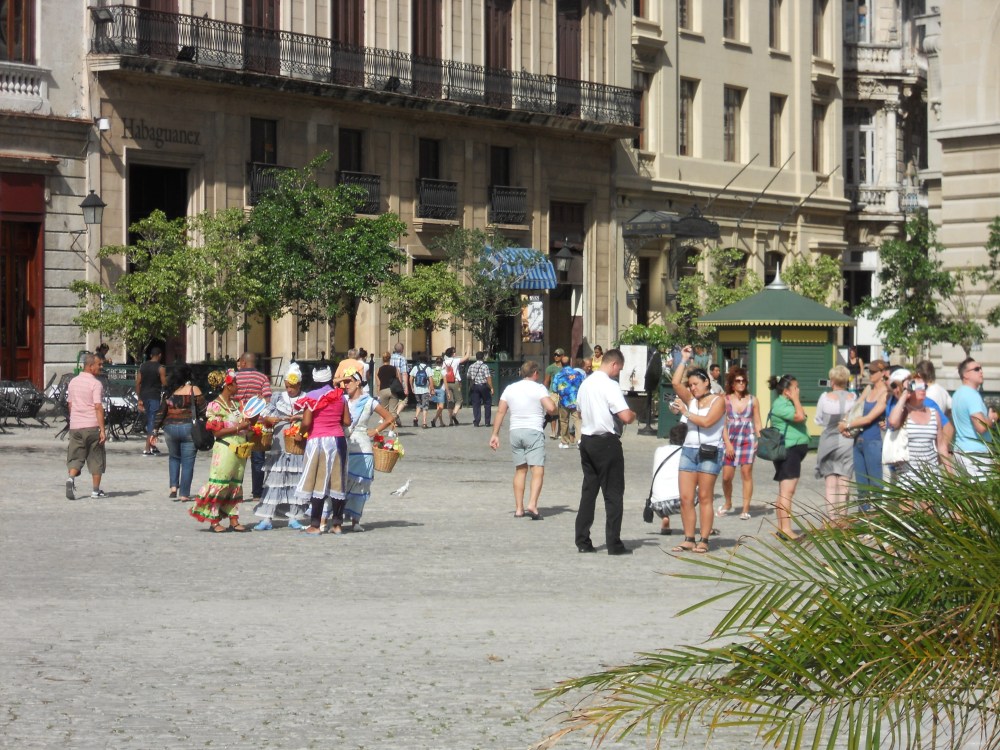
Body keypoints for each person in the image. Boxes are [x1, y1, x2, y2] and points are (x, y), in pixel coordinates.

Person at [574, 348, 637, 555]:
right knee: (613, 493)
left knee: (589, 492)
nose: (617, 373)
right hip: (606, 442)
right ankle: (614, 543)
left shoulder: (585, 383)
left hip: (587, 440)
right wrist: (634, 414)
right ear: (614, 364)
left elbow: (580, 411)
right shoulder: (610, 385)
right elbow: (625, 416)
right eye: (618, 369)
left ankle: (582, 540)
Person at [668, 346, 726, 554]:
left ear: (707, 382)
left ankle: (704, 539)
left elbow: (708, 422)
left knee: (705, 497)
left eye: (696, 384)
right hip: (689, 451)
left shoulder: (719, 401)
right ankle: (688, 538)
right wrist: (683, 360)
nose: (692, 388)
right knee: (685, 497)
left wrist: (686, 413)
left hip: (710, 451)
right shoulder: (691, 400)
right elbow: (675, 383)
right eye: (690, 385)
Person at [490, 361, 557, 520]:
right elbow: (551, 408)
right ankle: (532, 504)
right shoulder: (538, 388)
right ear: (535, 373)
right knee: (537, 469)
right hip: (533, 430)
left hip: (515, 431)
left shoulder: (510, 388)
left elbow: (501, 411)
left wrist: (495, 434)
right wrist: (552, 403)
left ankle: (519, 508)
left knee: (520, 470)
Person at [189, 370, 253, 532]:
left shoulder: (237, 404)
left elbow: (246, 422)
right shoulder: (216, 405)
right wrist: (239, 427)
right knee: (220, 483)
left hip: (240, 449)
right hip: (225, 449)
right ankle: (213, 520)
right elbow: (216, 432)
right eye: (236, 383)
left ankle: (234, 519)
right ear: (228, 386)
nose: (238, 386)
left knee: (235, 484)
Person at [252, 363, 310, 530]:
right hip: (279, 444)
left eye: (292, 387)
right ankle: (267, 518)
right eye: (287, 386)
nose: (289, 390)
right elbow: (264, 415)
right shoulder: (278, 398)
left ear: (299, 384)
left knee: (295, 481)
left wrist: (298, 417)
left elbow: (310, 417)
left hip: (297, 444)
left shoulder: (306, 398)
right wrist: (269, 419)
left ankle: (294, 516)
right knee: (274, 480)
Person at [296, 365, 352, 535]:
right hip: (338, 440)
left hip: (318, 441)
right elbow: (347, 421)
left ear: (314, 378)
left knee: (318, 480)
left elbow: (306, 423)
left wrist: (300, 434)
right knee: (337, 481)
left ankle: (314, 524)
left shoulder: (311, 397)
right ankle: (337, 524)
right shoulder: (339, 396)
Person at [343, 370, 395, 531]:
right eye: (344, 382)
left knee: (360, 484)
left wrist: (376, 430)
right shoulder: (342, 399)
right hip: (344, 445)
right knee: (341, 482)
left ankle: (355, 520)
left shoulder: (369, 401)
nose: (345, 385)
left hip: (362, 447)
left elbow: (390, 418)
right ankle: (336, 517)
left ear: (358, 383)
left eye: (349, 381)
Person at [887, 372, 950, 490]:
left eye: (924, 387)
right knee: (906, 508)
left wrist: (951, 476)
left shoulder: (933, 412)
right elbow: (892, 422)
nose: (922, 389)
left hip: (931, 476)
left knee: (930, 508)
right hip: (907, 476)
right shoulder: (903, 411)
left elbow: (942, 446)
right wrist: (905, 394)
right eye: (917, 386)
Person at [152, 363, 205, 503]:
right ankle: (184, 494)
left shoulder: (170, 391)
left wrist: (155, 430)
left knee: (174, 457)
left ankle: (173, 487)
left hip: (170, 428)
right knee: (188, 462)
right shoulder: (194, 390)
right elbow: (204, 410)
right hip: (188, 427)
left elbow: (161, 411)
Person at [767, 374, 810, 542]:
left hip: (793, 450)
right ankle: (786, 529)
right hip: (788, 451)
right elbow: (800, 417)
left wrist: (795, 400)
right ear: (787, 391)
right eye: (795, 388)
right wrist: (797, 400)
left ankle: (782, 528)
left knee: (785, 491)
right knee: (787, 491)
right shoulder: (780, 404)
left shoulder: (786, 403)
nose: (798, 390)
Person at [814, 365, 857, 523]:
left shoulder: (825, 397)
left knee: (830, 483)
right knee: (844, 482)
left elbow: (818, 420)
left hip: (829, 441)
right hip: (847, 441)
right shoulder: (853, 398)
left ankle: (832, 518)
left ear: (832, 380)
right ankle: (843, 518)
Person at [842, 359, 889, 504]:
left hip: (874, 441)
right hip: (859, 441)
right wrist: (844, 420)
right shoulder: (869, 388)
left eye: (874, 372)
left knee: (876, 484)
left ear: (882, 373)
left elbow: (869, 418)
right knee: (862, 486)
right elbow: (856, 407)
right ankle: (864, 519)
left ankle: (879, 520)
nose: (870, 374)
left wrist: (847, 425)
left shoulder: (885, 392)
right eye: (869, 371)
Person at [718, 366, 761, 520]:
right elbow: (722, 424)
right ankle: (728, 502)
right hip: (731, 439)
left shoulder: (753, 400)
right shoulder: (725, 400)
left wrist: (759, 439)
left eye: (743, 380)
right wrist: (727, 443)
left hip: (748, 439)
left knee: (746, 473)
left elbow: (757, 422)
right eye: (738, 381)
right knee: (726, 477)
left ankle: (745, 508)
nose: (741, 383)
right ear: (732, 383)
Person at [65, 353, 107, 500]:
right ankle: (95, 490)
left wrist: (74, 419)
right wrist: (102, 429)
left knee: (76, 455)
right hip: (91, 425)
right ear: (90, 366)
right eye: (99, 365)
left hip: (76, 425)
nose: (101, 367)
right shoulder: (95, 384)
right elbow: (98, 407)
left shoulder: (73, 382)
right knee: (95, 456)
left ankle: (70, 479)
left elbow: (70, 404)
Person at [234, 351, 272, 502]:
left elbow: (229, 398)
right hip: (257, 423)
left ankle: (237, 491)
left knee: (238, 456)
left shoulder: (235, 377)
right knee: (258, 458)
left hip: (238, 422)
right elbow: (268, 400)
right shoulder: (262, 378)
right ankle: (257, 493)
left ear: (243, 362)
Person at [951, 357, 996, 479]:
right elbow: (981, 427)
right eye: (976, 369)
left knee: (967, 496)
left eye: (981, 368)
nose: (981, 371)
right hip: (975, 455)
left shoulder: (957, 394)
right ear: (965, 375)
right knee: (981, 496)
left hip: (961, 451)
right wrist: (992, 419)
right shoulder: (972, 395)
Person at [649, 425, 686, 535]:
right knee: (703, 491)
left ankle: (665, 518)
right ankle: (688, 521)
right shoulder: (686, 452)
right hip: (680, 502)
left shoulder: (659, 450)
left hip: (658, 505)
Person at [136, 347, 166, 456]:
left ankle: (153, 445)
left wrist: (139, 398)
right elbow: (164, 383)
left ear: (150, 355)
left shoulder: (142, 366)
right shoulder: (160, 368)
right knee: (153, 422)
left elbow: (138, 383)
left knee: (150, 420)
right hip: (154, 396)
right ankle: (147, 448)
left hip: (144, 396)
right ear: (160, 355)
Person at [551, 356, 585, 449]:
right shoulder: (578, 373)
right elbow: (583, 386)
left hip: (564, 401)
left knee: (564, 421)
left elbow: (554, 388)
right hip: (576, 400)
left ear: (561, 363)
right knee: (578, 420)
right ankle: (579, 440)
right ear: (570, 362)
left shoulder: (558, 374)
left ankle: (565, 441)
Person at [466, 351, 494, 427]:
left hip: (475, 386)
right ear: (483, 357)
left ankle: (476, 421)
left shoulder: (471, 366)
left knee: (476, 404)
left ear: (476, 357)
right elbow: (488, 377)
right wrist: (491, 387)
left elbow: (468, 376)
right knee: (487, 403)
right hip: (483, 386)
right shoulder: (485, 366)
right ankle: (487, 422)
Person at [544, 348, 565, 438]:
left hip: (564, 392)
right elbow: (546, 381)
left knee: (562, 413)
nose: (556, 356)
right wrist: (545, 393)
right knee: (553, 412)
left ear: (562, 356)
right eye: (555, 355)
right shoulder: (550, 368)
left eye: (558, 355)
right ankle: (553, 431)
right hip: (553, 392)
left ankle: (560, 432)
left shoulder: (565, 368)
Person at [376, 352, 404, 421]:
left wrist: (378, 394)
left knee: (383, 411)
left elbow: (378, 384)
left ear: (382, 359)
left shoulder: (378, 370)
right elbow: (399, 380)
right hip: (393, 390)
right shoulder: (394, 369)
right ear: (390, 359)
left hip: (383, 390)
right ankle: (391, 430)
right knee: (393, 411)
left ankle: (381, 428)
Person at [409, 355, 435, 429]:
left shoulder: (415, 368)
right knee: (425, 406)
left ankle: (415, 418)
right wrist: (432, 389)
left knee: (419, 404)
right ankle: (424, 422)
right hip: (425, 390)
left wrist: (412, 387)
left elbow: (410, 379)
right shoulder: (428, 368)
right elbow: (430, 380)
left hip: (417, 390)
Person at [389, 343, 410, 421]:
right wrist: (406, 388)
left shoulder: (389, 358)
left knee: (393, 399)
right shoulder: (402, 358)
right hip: (399, 382)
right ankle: (396, 415)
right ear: (402, 350)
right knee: (404, 399)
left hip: (390, 382)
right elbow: (404, 373)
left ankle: (396, 418)